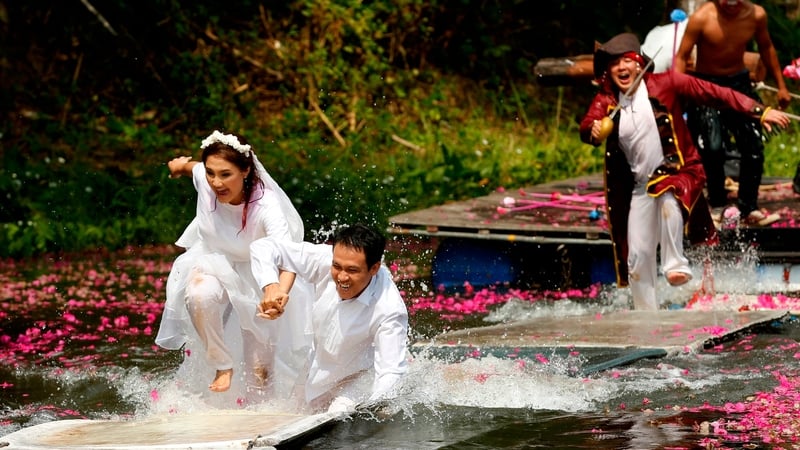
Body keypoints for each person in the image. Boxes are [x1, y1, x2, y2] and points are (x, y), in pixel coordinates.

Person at [579, 33, 789, 310]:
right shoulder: (606, 101)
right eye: (614, 64)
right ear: (608, 72)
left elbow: (715, 93)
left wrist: (758, 111)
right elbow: (588, 126)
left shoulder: (667, 83)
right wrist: (592, 131)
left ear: (639, 62)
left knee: (669, 196)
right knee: (637, 258)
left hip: (678, 173)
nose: (621, 68)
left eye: (626, 61)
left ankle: (675, 264)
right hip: (640, 187)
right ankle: (646, 316)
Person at [155, 130, 312, 400]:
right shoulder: (205, 181)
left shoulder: (266, 206)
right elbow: (192, 167)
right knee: (199, 292)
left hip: (260, 274)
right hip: (214, 261)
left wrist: (279, 294)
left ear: (246, 170)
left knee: (259, 368)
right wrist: (178, 166)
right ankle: (221, 365)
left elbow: (288, 257)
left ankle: (261, 411)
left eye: (226, 174)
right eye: (211, 173)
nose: (217, 182)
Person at [250, 223, 409, 413]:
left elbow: (390, 372)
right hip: (317, 365)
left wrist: (380, 408)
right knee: (293, 414)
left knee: (338, 412)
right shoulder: (325, 258)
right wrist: (271, 286)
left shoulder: (389, 309)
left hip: (360, 378)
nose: (341, 277)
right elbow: (262, 247)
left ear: (374, 268)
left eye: (352, 270)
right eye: (337, 267)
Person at [674, 0, 791, 226]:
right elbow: (681, 56)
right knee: (712, 147)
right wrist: (678, 92)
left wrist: (782, 85)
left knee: (753, 146)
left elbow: (766, 47)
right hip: (707, 84)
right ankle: (717, 204)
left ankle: (749, 207)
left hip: (739, 83)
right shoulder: (701, 17)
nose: (730, 4)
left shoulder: (756, 15)